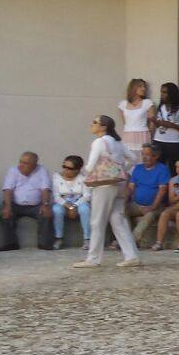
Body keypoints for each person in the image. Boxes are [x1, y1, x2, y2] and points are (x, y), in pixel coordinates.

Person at [73, 115, 140, 269]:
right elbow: (133, 158)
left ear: (103, 127)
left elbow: (90, 165)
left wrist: (89, 172)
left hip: (103, 185)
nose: (92, 124)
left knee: (97, 221)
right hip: (118, 182)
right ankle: (132, 255)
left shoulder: (98, 142)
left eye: (95, 122)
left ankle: (93, 258)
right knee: (118, 220)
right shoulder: (117, 142)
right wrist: (123, 170)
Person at [0, 151, 52, 251]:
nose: (21, 165)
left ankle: (44, 244)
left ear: (34, 165)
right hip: (15, 205)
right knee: (4, 214)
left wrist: (45, 204)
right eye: (21, 162)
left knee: (45, 214)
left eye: (25, 163)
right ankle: (10, 243)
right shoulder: (13, 170)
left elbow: (45, 189)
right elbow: (7, 190)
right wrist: (7, 206)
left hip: (35, 206)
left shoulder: (42, 170)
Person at [125, 144, 171, 249]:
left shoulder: (163, 169)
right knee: (120, 210)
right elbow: (131, 188)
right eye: (143, 154)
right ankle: (126, 238)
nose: (144, 157)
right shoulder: (138, 168)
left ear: (155, 156)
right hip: (137, 204)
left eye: (148, 154)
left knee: (149, 215)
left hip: (155, 205)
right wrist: (124, 200)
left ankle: (131, 241)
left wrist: (152, 207)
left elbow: (162, 191)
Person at [50, 154, 88, 250]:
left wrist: (75, 205)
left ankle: (87, 239)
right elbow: (56, 196)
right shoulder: (56, 177)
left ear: (77, 170)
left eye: (69, 168)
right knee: (56, 210)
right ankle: (58, 238)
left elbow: (87, 196)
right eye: (64, 166)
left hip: (79, 201)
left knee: (85, 209)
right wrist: (69, 207)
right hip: (63, 202)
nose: (65, 169)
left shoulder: (83, 177)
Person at [149, 82, 179, 169]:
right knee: (157, 168)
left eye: (165, 92)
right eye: (161, 92)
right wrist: (154, 121)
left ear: (172, 93)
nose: (162, 95)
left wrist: (171, 125)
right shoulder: (161, 106)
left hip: (174, 142)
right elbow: (158, 124)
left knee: (175, 169)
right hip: (158, 140)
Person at [118, 79, 153, 152]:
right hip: (128, 135)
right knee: (129, 158)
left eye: (144, 87)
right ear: (133, 88)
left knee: (143, 157)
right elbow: (125, 122)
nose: (144, 89)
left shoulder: (147, 103)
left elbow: (152, 122)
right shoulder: (123, 104)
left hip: (143, 135)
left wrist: (148, 133)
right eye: (140, 86)